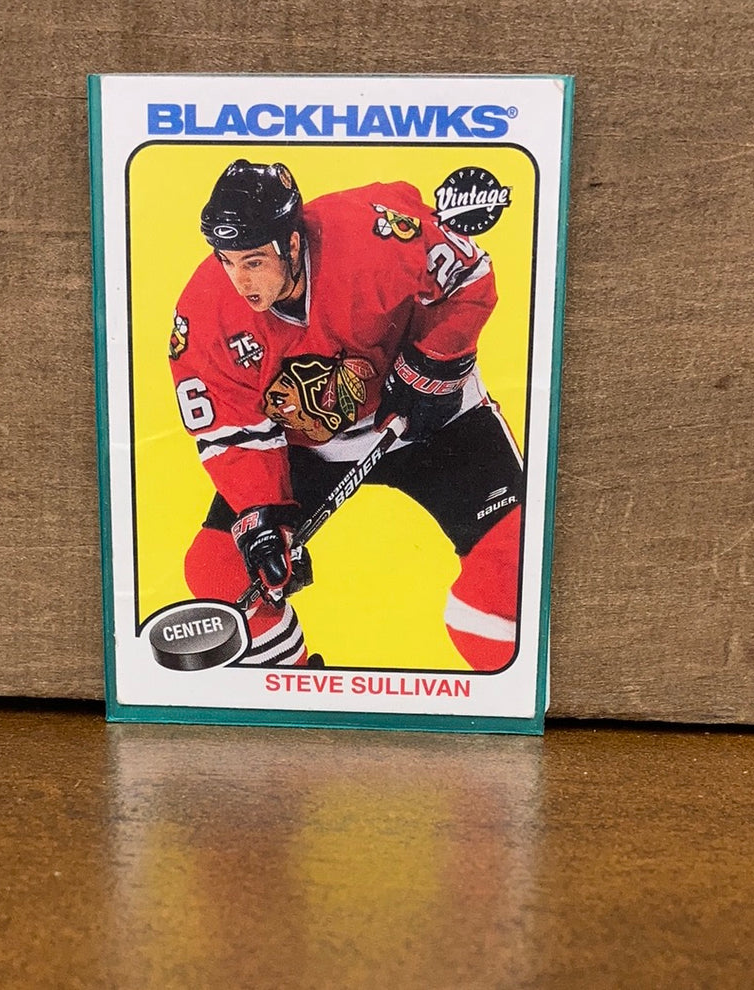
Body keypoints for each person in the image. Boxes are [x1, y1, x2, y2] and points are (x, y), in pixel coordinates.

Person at [168, 159, 524, 669]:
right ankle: (297, 694)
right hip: (308, 447)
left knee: (511, 581)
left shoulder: (372, 233)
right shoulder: (205, 312)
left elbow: (469, 275)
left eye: (253, 261)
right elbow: (230, 429)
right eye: (227, 261)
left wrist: (436, 362)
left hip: (436, 422)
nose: (239, 280)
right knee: (219, 572)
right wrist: (265, 515)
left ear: (291, 244)